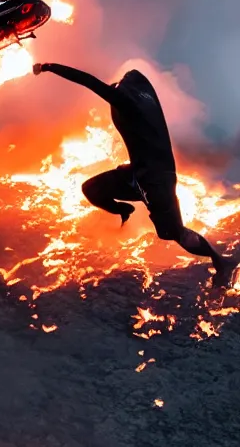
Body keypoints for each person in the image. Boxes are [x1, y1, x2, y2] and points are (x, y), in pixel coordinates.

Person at [32, 62, 237, 286]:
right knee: (91, 189)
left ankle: (221, 262)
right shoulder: (145, 100)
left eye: (118, 85)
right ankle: (124, 209)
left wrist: (49, 66)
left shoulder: (127, 102)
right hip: (139, 171)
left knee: (172, 232)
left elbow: (88, 81)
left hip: (155, 179)